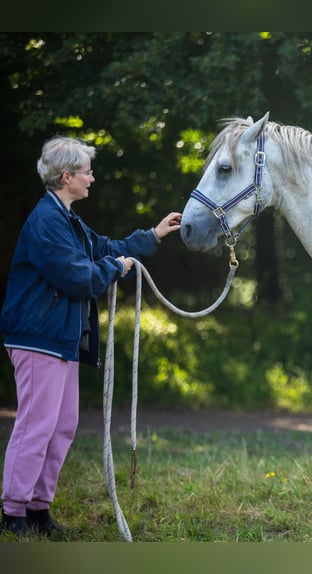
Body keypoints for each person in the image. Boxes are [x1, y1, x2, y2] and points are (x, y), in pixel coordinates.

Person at [0, 135, 182, 537]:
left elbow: (104, 249)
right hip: (37, 338)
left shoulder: (66, 219)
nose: (92, 178)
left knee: (62, 424)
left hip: (60, 338)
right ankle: (12, 512)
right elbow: (80, 277)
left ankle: (37, 508)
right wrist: (117, 268)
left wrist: (152, 236)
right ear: (67, 177)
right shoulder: (47, 223)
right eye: (87, 172)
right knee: (36, 425)